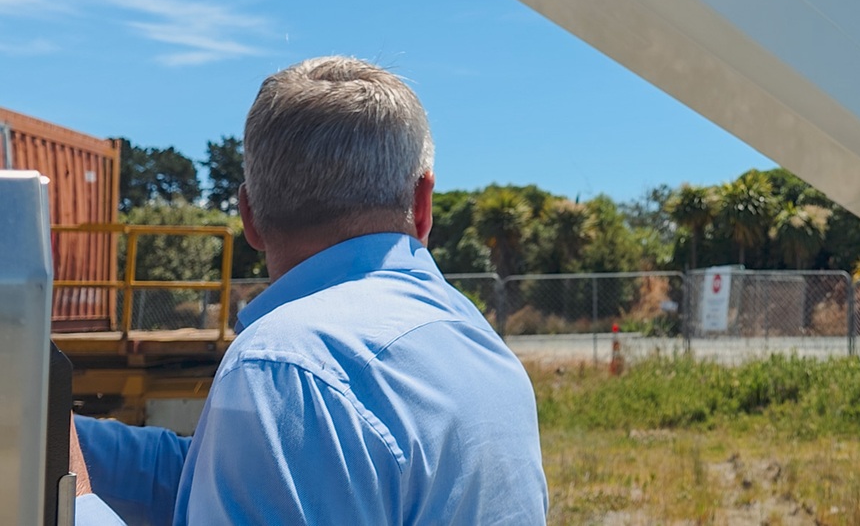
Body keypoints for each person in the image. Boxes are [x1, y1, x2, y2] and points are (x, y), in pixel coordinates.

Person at [72, 56, 549, 525]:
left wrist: (73, 496)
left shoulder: (283, 366)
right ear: (423, 203)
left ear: (250, 217)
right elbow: (249, 480)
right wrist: (60, 434)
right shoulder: (483, 349)